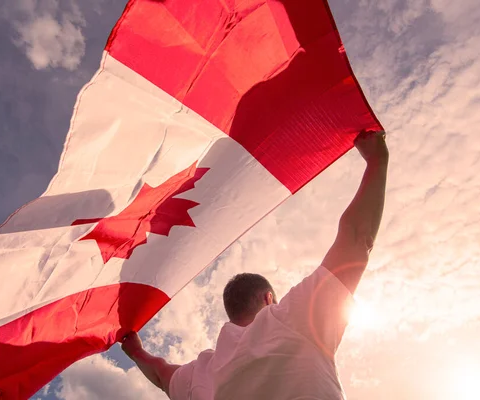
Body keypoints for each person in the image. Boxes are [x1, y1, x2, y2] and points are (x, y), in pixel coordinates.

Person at [121, 130, 389, 399]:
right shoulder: (292, 319)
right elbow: (356, 239)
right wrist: (377, 160)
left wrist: (136, 352)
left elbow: (160, 373)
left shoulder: (199, 374)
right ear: (268, 298)